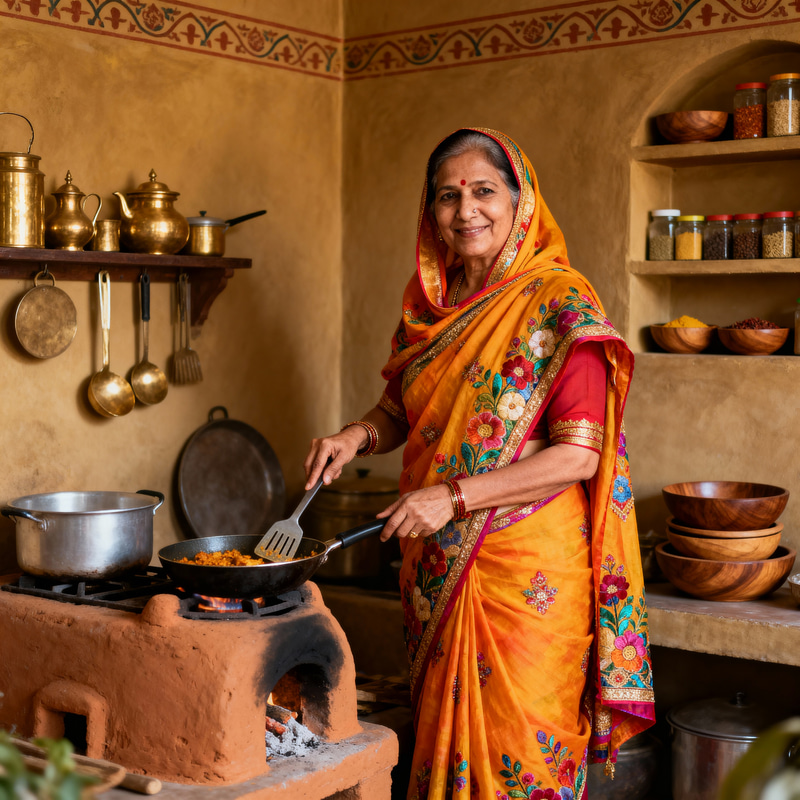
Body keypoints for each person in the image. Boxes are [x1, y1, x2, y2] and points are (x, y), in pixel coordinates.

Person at [304, 127, 655, 800]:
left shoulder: (560, 303)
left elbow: (578, 457)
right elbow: (400, 409)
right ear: (429, 211)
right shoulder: (430, 309)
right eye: (447, 196)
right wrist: (354, 437)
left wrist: (454, 497)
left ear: (521, 201)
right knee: (441, 741)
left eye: (484, 191)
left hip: (526, 576)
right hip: (436, 561)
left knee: (519, 749)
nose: (465, 211)